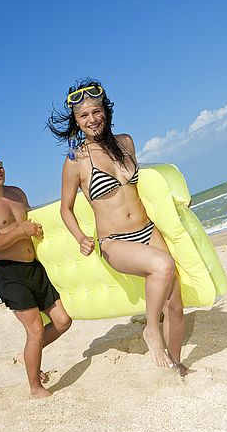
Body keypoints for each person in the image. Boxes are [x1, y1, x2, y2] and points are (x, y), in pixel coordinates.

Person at [47, 80, 188, 376]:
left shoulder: (126, 142)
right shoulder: (75, 161)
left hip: (147, 231)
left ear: (105, 111)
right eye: (83, 116)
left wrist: (175, 204)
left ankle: (175, 365)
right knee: (163, 265)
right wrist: (80, 237)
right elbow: (65, 209)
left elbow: (145, 187)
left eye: (96, 112)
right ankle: (151, 330)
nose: (91, 119)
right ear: (76, 122)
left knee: (175, 305)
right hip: (114, 242)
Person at [0, 150, 72, 398]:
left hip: (35, 266)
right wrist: (20, 231)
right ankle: (35, 388)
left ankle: (29, 355)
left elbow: (38, 222)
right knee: (35, 330)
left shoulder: (17, 193)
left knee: (63, 321)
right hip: (10, 273)